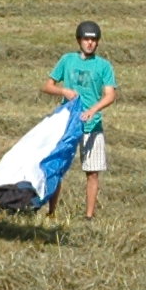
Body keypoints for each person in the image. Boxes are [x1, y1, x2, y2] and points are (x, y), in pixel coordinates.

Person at [44, 20, 118, 219]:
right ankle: (51, 211)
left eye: (93, 40)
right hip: (67, 123)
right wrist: (63, 91)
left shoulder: (104, 66)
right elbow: (47, 85)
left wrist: (93, 110)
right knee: (57, 167)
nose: (90, 43)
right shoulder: (67, 60)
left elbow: (110, 95)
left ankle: (89, 216)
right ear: (79, 40)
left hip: (92, 125)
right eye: (86, 39)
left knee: (92, 172)